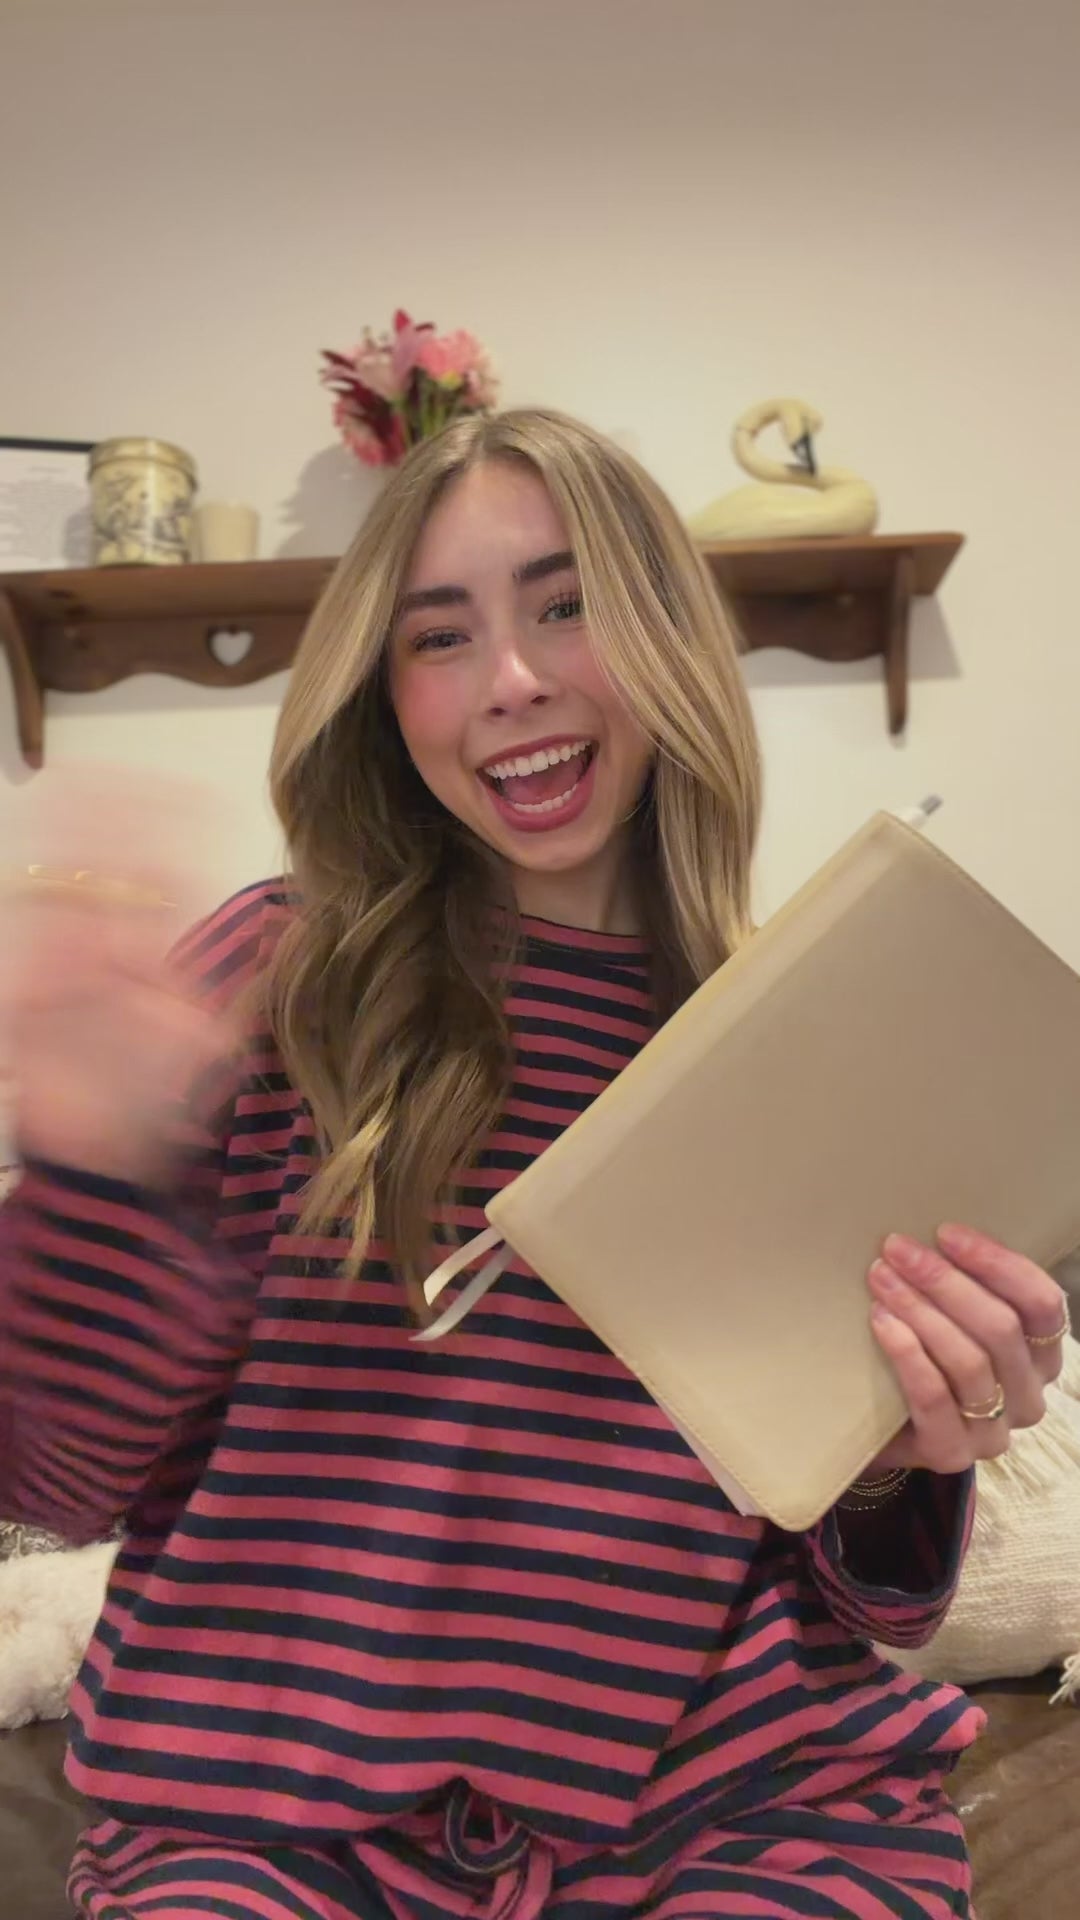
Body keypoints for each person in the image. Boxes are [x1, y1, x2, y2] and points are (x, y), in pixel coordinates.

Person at [0, 408, 1069, 1920]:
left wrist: (907, 1453)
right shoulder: (271, 978)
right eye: (440, 640)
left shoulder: (808, 1040)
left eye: (567, 608)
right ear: (385, 699)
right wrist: (91, 1171)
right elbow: (53, 1479)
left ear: (669, 637)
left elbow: (858, 1577)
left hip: (745, 1800)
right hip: (262, 1813)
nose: (511, 684)